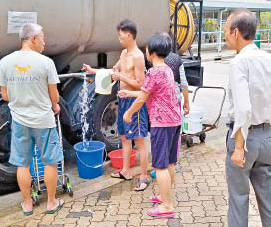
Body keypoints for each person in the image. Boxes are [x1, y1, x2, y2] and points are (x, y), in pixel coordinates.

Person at [224, 9, 271, 227]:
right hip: (267, 137)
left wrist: (240, 147)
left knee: (239, 200)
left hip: (244, 138)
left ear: (235, 32)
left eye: (225, 31)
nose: (224, 36)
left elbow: (243, 108)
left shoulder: (238, 62)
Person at [0, 23, 64, 216]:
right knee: (50, 162)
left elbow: (5, 95)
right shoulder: (45, 62)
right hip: (44, 121)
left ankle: (27, 204)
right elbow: (54, 97)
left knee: (22, 164)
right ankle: (51, 203)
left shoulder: (5, 62)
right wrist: (54, 105)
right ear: (33, 38)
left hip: (19, 121)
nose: (44, 41)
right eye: (42, 37)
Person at [81, 19, 150, 191]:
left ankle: (143, 176)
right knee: (124, 138)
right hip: (123, 99)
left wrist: (122, 78)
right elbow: (114, 71)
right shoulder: (123, 53)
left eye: (120, 36)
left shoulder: (138, 57)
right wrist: (93, 70)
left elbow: (141, 85)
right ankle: (126, 171)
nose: (119, 39)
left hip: (135, 101)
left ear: (129, 35)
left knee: (139, 142)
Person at [119, 33, 181, 218]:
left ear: (151, 52)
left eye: (147, 48)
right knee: (169, 162)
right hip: (175, 121)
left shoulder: (153, 72)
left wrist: (128, 113)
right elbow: (152, 93)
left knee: (160, 166)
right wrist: (128, 94)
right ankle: (164, 197)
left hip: (162, 123)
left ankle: (166, 206)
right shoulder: (167, 69)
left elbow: (143, 97)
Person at [150, 34, 190, 179]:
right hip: (175, 103)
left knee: (161, 141)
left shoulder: (155, 60)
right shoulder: (176, 59)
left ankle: (160, 168)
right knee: (174, 138)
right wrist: (186, 102)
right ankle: (170, 165)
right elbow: (184, 83)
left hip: (160, 109)